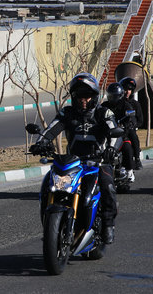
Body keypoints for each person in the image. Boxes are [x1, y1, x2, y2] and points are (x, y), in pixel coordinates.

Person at [29, 72, 119, 244]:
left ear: (94, 96)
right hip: (73, 162)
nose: (83, 99)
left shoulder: (103, 113)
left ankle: (108, 225)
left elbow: (115, 131)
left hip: (98, 161)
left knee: (107, 186)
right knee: (48, 184)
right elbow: (52, 129)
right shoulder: (67, 113)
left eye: (87, 95)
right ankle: (50, 225)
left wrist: (111, 149)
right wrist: (40, 143)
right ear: (73, 97)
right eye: (79, 96)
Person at [102, 82, 136, 182]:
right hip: (106, 135)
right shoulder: (104, 106)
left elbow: (131, 118)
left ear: (120, 96)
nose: (112, 98)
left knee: (127, 147)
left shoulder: (126, 106)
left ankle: (129, 171)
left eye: (115, 96)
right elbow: (97, 117)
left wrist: (128, 124)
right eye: (110, 96)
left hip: (121, 134)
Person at [119, 77, 144, 170]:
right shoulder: (118, 103)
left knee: (133, 136)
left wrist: (133, 125)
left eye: (129, 89)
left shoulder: (135, 104)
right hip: (118, 127)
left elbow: (140, 120)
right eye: (125, 89)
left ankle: (137, 159)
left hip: (129, 129)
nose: (127, 92)